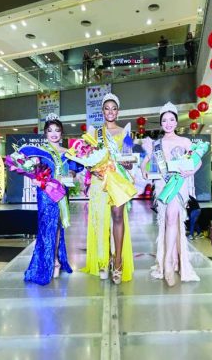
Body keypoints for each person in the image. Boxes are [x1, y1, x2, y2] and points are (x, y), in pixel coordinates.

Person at [17, 114, 83, 285]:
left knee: (59, 225)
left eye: (57, 130)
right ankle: (50, 261)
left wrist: (71, 174)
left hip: (61, 193)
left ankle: (55, 259)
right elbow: (26, 166)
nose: (54, 134)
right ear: (45, 133)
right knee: (47, 226)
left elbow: (74, 170)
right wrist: (35, 174)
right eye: (50, 130)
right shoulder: (39, 152)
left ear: (62, 133)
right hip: (46, 194)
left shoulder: (68, 153)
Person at [141, 102, 201, 286]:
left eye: (172, 119)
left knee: (172, 216)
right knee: (167, 222)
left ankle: (168, 262)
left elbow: (196, 161)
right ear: (161, 123)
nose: (168, 123)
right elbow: (146, 161)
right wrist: (144, 169)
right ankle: (171, 261)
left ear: (176, 121)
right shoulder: (156, 144)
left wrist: (191, 171)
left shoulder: (184, 142)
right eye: (164, 120)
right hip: (162, 184)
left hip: (179, 184)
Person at [80, 93, 136, 284]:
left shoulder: (125, 133)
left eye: (114, 108)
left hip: (117, 180)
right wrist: (92, 169)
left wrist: (127, 162)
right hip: (99, 181)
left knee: (118, 217)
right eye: (107, 108)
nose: (110, 111)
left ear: (117, 112)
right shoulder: (95, 134)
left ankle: (118, 261)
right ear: (102, 111)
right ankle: (103, 260)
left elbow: (128, 160)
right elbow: (86, 158)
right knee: (101, 220)